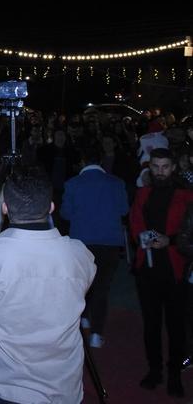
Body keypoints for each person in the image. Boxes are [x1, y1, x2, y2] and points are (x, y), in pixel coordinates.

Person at [0, 171, 95, 403]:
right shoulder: (80, 254)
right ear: (51, 207)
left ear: (4, 208)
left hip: (6, 383)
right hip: (63, 385)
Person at [129, 148, 193, 396]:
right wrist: (141, 238)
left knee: (177, 326)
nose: (160, 171)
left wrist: (171, 240)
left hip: (175, 269)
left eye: (165, 166)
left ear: (173, 167)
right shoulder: (143, 193)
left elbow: (190, 232)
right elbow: (135, 222)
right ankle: (154, 370)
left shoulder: (186, 196)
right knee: (151, 324)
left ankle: (174, 374)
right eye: (156, 166)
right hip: (147, 269)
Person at [60, 146, 129, 348]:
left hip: (81, 242)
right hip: (109, 242)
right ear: (100, 161)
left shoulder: (72, 184)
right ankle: (97, 334)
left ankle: (83, 320)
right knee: (102, 287)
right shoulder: (117, 183)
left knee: (81, 284)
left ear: (82, 161)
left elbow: (65, 213)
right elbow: (124, 210)